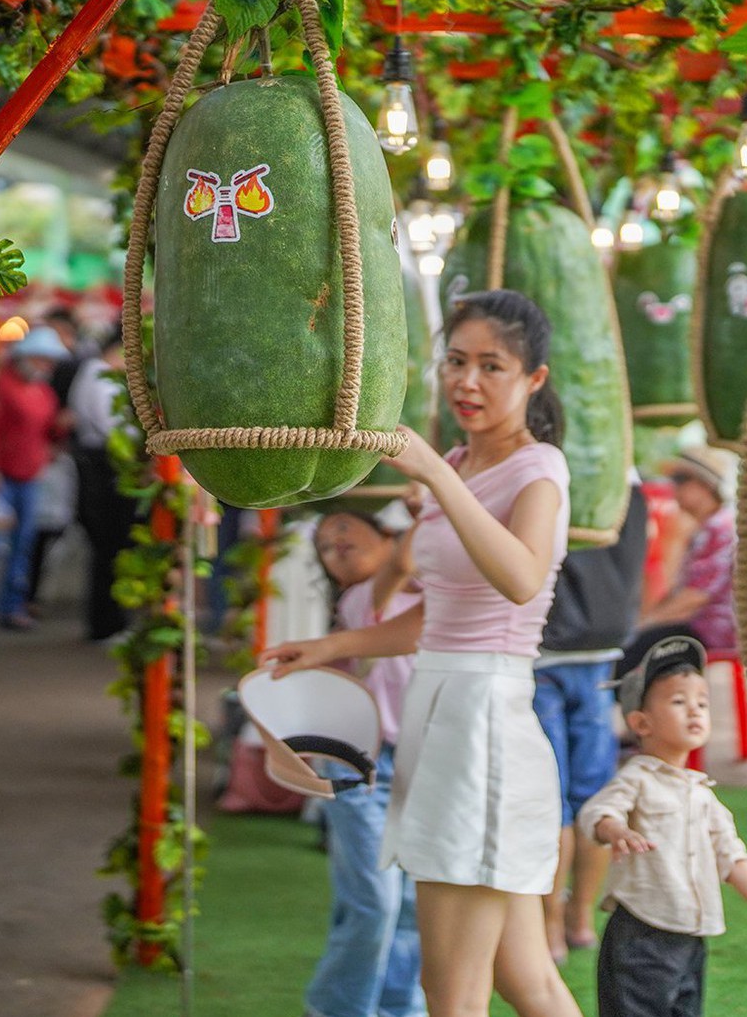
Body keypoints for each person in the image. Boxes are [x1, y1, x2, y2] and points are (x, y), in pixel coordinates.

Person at [263, 289, 582, 1017]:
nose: (467, 381)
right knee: (526, 982)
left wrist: (435, 474)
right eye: (456, 362)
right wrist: (331, 646)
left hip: (483, 723)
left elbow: (522, 579)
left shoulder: (538, 470)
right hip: (443, 713)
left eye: (492, 367)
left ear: (534, 379)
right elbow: (439, 615)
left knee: (450, 993)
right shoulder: (462, 465)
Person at [579, 636, 747, 1017]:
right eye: (678, 701)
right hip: (642, 934)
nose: (695, 711)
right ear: (641, 722)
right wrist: (616, 831)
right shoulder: (637, 778)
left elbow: (733, 858)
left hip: (691, 938)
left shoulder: (703, 795)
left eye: (702, 702)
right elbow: (598, 812)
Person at [305, 509, 428, 1017]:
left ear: (384, 535)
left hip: (420, 759)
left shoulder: (430, 596)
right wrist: (429, 508)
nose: (334, 547)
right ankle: (337, 1008)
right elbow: (402, 563)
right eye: (324, 547)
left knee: (413, 904)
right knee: (375, 901)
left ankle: (401, 1007)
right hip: (358, 764)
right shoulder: (360, 599)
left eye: (344, 532)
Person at [536, 479, 648, 962]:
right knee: (594, 797)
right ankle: (580, 919)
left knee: (550, 799)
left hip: (542, 649)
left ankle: (551, 925)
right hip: (603, 644)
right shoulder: (621, 477)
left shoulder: (540, 466)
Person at [625, 449, 737, 671]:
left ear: (706, 485)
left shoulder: (719, 528)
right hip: (699, 628)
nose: (673, 486)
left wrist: (643, 624)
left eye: (680, 479)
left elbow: (695, 597)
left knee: (630, 655)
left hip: (711, 634)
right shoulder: (708, 527)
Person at [0, 328, 70, 630]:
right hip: (1, 477)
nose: (46, 366)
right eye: (41, 360)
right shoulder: (0, 386)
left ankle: (11, 605)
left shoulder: (42, 392)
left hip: (30, 475)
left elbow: (48, 431)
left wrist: (60, 430)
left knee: (22, 544)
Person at [68, 327, 133, 641]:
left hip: (102, 466)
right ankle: (107, 624)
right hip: (104, 469)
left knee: (109, 550)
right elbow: (112, 426)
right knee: (110, 549)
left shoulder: (92, 374)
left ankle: (109, 621)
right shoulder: (99, 377)